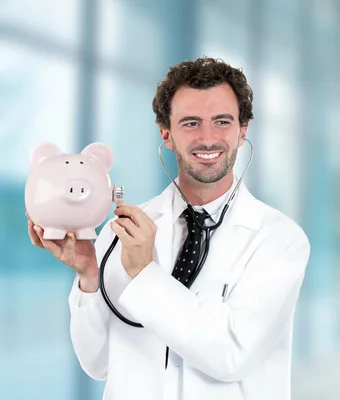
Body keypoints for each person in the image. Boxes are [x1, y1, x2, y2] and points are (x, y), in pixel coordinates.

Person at [27, 57, 311, 400]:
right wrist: (89, 275)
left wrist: (144, 272)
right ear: (167, 135)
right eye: (191, 123)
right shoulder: (122, 232)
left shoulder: (279, 239)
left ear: (242, 131)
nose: (208, 138)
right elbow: (97, 362)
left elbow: (230, 354)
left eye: (222, 121)